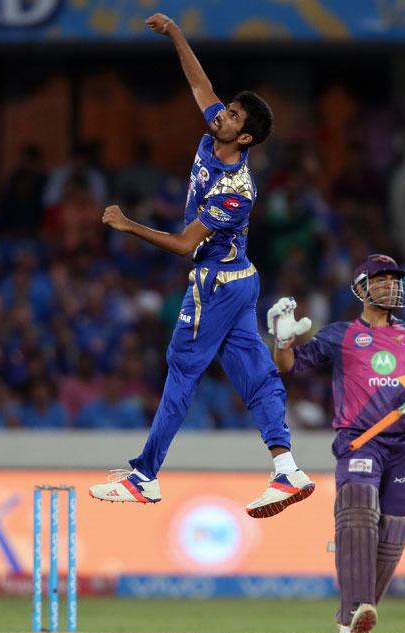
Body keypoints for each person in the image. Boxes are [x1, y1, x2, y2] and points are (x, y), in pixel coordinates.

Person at [89, 13, 315, 518]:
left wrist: (128, 225)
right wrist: (175, 33)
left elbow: (186, 244)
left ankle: (145, 476)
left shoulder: (236, 190)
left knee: (182, 372)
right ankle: (287, 470)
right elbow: (199, 82)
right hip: (240, 282)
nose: (221, 115)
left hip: (214, 285)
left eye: (233, 117)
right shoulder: (215, 134)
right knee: (254, 374)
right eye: (228, 110)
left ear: (247, 139)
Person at [267, 254, 405, 633]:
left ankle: (359, 619)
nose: (389, 286)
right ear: (361, 288)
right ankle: (352, 614)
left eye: (393, 279)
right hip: (360, 439)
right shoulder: (340, 334)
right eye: (380, 280)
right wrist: (283, 340)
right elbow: (288, 366)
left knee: (393, 531)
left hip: (403, 443)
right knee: (359, 514)